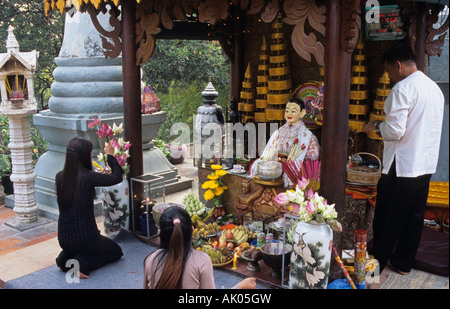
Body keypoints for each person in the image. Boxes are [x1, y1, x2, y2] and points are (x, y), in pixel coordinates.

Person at [364, 42, 444, 275]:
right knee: (414, 216)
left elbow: (396, 130)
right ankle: (402, 263)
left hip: (402, 165)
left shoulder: (402, 89)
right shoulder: (434, 88)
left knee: (387, 216)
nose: (389, 76)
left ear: (397, 65)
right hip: (425, 163)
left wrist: (378, 126)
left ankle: (376, 264)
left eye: (388, 70)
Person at [55, 137, 124, 279]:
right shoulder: (88, 177)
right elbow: (117, 177)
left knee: (84, 248)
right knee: (116, 251)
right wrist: (110, 155)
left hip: (64, 240)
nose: (91, 155)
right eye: (90, 152)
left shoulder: (59, 176)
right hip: (85, 240)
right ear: (84, 155)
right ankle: (82, 264)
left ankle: (64, 260)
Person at [143, 206, 256, 289]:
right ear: (192, 230)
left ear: (161, 232)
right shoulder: (200, 260)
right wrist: (240, 287)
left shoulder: (151, 259)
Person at [249, 98, 320, 186]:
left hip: (292, 166)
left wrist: (288, 160)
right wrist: (276, 158)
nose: (289, 114)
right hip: (277, 163)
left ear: (302, 113)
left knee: (300, 172)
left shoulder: (308, 137)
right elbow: (270, 151)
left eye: (293, 111)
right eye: (287, 111)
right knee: (257, 164)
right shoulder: (278, 132)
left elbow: (312, 159)